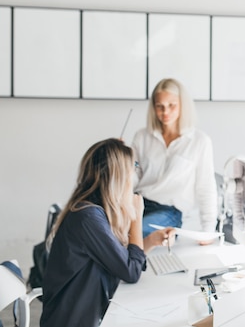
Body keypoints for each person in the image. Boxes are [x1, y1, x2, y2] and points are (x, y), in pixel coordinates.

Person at [40, 138, 175, 327]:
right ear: (118, 176)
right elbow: (131, 271)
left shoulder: (91, 211)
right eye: (133, 166)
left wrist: (151, 241)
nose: (134, 174)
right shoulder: (88, 217)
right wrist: (136, 217)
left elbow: (120, 261)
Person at [132, 78, 218, 241]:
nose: (165, 112)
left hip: (168, 211)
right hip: (138, 202)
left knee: (132, 236)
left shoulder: (199, 141)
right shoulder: (142, 137)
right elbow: (133, 179)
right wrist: (123, 162)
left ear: (182, 105)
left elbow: (205, 187)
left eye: (172, 105)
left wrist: (208, 230)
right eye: (160, 106)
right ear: (154, 107)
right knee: (102, 231)